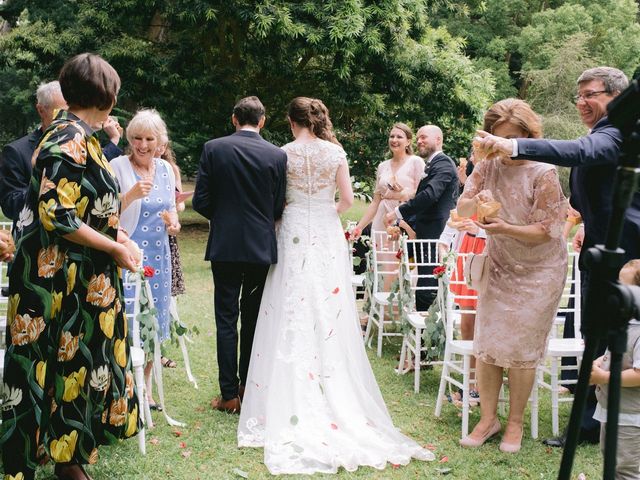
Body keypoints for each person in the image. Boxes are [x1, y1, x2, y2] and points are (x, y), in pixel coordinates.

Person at [237, 96, 434, 475]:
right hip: (325, 229)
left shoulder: (282, 153)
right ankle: (332, 388)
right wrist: (324, 211)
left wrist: (296, 210)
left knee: (289, 299)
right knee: (327, 305)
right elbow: (346, 200)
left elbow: (276, 202)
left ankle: (282, 395)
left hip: (292, 227)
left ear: (292, 122)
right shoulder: (335, 153)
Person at [473, 66, 637, 446]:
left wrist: (514, 147)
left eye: (590, 94)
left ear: (618, 96)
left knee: (624, 339)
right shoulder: (603, 133)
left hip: (628, 256)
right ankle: (589, 426)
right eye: (578, 96)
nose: (582, 102)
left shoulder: (617, 132)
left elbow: (582, 153)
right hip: (598, 250)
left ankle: (608, 423)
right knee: (593, 338)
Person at [1, 52, 139, 480]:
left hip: (76, 277)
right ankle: (55, 465)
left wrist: (117, 236)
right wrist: (113, 248)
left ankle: (69, 461)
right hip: (56, 280)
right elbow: (54, 214)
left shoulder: (79, 133)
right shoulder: (68, 136)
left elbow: (83, 208)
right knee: (56, 366)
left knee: (73, 367)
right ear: (108, 98)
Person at [456, 98, 568, 453]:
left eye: (509, 140)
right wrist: (476, 173)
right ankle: (488, 419)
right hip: (501, 264)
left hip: (540, 270)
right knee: (488, 345)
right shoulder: (488, 166)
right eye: (496, 139)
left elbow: (550, 229)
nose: (503, 148)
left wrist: (505, 228)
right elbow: (463, 208)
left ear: (527, 135)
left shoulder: (543, 171)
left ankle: (515, 424)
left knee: (521, 349)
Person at [192, 96, 287, 414]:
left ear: (234, 119)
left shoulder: (213, 148)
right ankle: (248, 384)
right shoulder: (276, 155)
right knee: (253, 318)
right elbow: (276, 207)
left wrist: (224, 214)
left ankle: (229, 395)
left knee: (226, 318)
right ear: (262, 121)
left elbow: (201, 202)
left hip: (226, 245)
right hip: (260, 246)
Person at [111, 109, 180, 406]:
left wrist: (173, 223)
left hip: (159, 257)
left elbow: (172, 207)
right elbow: (105, 212)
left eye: (149, 138)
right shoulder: (116, 166)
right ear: (129, 139)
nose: (142, 144)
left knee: (153, 319)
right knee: (128, 320)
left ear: (159, 141)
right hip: (129, 253)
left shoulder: (165, 169)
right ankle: (124, 385)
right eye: (137, 138)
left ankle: (147, 388)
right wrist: (131, 195)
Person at [0, 81, 123, 222]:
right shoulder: (16, 151)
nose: (73, 117)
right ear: (41, 110)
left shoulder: (84, 141)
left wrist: (113, 141)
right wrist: (41, 177)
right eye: (65, 111)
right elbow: (10, 207)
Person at [385, 125, 459, 311]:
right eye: (418, 138)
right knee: (426, 279)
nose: (419, 141)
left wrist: (399, 212)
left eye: (424, 137)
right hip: (427, 231)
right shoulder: (433, 164)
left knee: (429, 283)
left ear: (438, 140)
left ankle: (427, 331)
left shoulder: (443, 164)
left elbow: (430, 195)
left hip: (436, 233)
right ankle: (423, 331)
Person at [590, 259, 640, 480]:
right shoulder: (626, 323)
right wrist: (601, 361)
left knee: (627, 468)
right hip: (613, 410)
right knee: (612, 461)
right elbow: (618, 355)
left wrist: (604, 376)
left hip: (631, 417)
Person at [353, 123, 424, 235]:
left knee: (402, 251)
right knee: (381, 251)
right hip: (381, 219)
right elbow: (375, 202)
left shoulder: (416, 162)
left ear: (408, 141)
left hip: (405, 217)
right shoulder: (382, 166)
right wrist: (359, 227)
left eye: (399, 137)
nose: (394, 140)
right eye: (392, 136)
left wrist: (403, 193)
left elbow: (423, 194)